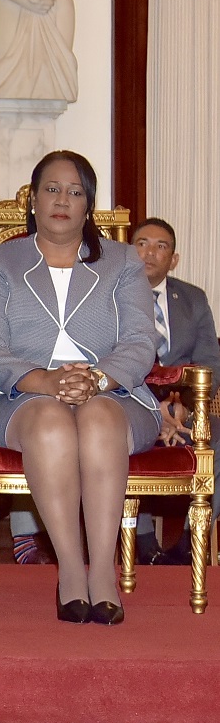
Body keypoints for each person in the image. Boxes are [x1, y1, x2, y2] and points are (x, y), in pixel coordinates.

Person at [0, 150, 158, 625]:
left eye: (76, 192)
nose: (63, 200)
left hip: (113, 392)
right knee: (52, 421)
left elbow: (141, 341)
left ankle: (104, 574)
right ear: (32, 200)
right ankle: (71, 571)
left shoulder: (122, 262)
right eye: (52, 189)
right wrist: (46, 382)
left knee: (96, 417)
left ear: (88, 206)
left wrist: (96, 378)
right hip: (21, 396)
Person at [131, 217, 220, 564]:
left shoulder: (193, 299)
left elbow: (211, 362)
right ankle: (140, 541)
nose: (149, 253)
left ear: (174, 259)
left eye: (160, 246)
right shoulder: (111, 298)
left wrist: (181, 403)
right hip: (133, 403)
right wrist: (156, 409)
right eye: (141, 244)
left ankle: (190, 536)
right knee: (115, 435)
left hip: (186, 406)